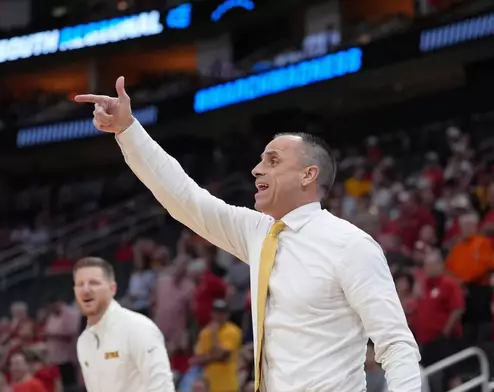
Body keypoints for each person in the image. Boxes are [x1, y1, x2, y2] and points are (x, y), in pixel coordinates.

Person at [75, 76, 421, 391]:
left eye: (272, 161)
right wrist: (128, 130)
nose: (257, 169)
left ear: (307, 175)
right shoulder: (258, 232)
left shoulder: (351, 245)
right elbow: (184, 198)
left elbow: (395, 344)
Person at [72, 256, 175, 392]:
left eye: (94, 283)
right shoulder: (84, 341)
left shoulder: (138, 328)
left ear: (112, 289)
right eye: (80, 284)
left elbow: (162, 387)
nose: (85, 290)